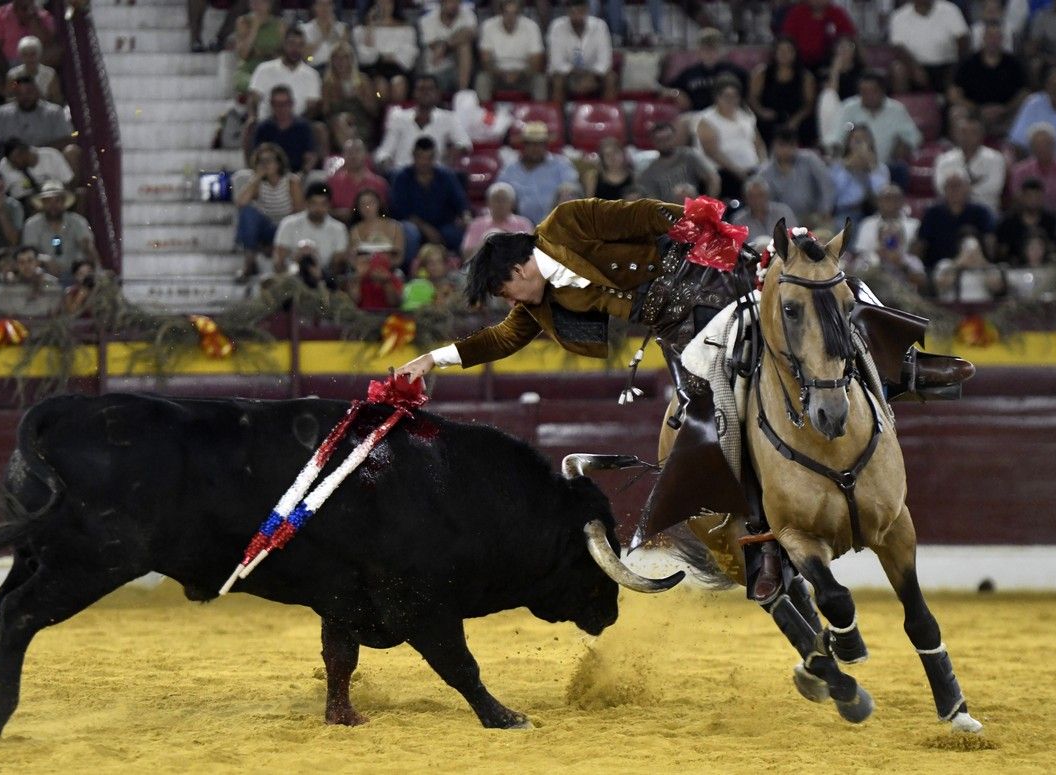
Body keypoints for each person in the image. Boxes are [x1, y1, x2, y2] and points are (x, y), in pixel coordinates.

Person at [394, 196, 976, 601]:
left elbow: (643, 216)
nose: (510, 300)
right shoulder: (539, 305)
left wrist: (708, 236)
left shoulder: (567, 224)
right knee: (709, 419)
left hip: (706, 279)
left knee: (821, 288)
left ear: (519, 265)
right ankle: (762, 540)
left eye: (505, 288)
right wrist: (430, 359)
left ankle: (907, 365)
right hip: (681, 329)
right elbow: (500, 339)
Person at [390, 137, 471, 268]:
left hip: (444, 223)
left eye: (429, 158)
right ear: (413, 156)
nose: (424, 162)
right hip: (414, 224)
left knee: (458, 233)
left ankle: (460, 270)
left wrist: (466, 218)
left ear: (434, 157)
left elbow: (461, 203)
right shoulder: (402, 177)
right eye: (420, 157)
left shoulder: (446, 176)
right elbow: (400, 211)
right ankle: (407, 270)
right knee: (409, 231)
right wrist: (426, 228)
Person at [232, 142, 302, 281]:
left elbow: (299, 211)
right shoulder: (257, 183)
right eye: (262, 161)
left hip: (286, 226)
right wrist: (257, 177)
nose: (266, 164)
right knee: (247, 212)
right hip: (265, 227)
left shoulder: (291, 181)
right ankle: (249, 262)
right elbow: (241, 203)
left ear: (278, 163)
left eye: (269, 160)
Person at [373, 74, 471, 174]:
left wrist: (454, 152)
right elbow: (384, 151)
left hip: (435, 176)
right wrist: (385, 163)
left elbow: (465, 143)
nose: (425, 93)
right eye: (421, 89)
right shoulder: (398, 118)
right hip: (403, 175)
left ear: (438, 93)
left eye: (430, 89)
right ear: (414, 93)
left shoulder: (449, 118)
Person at [948, 22, 1029, 140]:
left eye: (997, 37)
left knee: (1026, 112)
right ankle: (963, 154)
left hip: (1006, 115)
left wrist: (1005, 109)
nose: (993, 40)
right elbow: (953, 94)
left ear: (1002, 40)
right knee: (957, 113)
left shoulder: (1014, 63)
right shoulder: (968, 62)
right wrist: (977, 109)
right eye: (990, 36)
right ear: (983, 38)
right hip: (975, 114)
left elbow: (1025, 93)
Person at [0, 70, 77, 167]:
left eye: (29, 92)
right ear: (15, 95)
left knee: (73, 151)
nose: (25, 97)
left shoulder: (54, 112)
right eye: (20, 93)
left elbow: (67, 140)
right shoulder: (2, 113)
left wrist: (33, 153)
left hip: (47, 161)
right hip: (12, 164)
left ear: (37, 91)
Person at [695, 76, 766, 202]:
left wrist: (763, 165)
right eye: (726, 96)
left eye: (735, 96)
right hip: (725, 173)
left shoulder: (746, 115)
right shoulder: (707, 120)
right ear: (717, 97)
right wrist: (738, 171)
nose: (731, 100)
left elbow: (758, 143)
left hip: (752, 171)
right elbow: (712, 151)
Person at [496, 120, 579, 226]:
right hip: (517, 227)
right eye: (531, 144)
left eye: (539, 144)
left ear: (546, 145)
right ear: (524, 145)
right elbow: (498, 191)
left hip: (555, 223)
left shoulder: (561, 165)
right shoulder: (510, 168)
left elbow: (573, 190)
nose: (535, 148)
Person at [834, 71, 922, 167]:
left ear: (882, 91)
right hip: (854, 167)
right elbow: (836, 138)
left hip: (887, 166)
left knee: (901, 168)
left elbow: (915, 138)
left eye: (872, 91)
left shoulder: (897, 110)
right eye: (864, 92)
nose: (868, 96)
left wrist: (904, 145)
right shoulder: (849, 108)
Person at [915, 171, 996, 274]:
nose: (954, 190)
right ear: (944, 190)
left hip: (974, 269)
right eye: (950, 186)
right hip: (938, 270)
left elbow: (989, 242)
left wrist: (988, 264)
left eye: (958, 186)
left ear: (968, 188)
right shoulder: (932, 213)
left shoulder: (981, 212)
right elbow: (921, 243)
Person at [21, 180, 99, 283]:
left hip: (74, 275)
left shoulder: (78, 222)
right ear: (42, 203)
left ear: (64, 203)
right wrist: (44, 259)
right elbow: (28, 254)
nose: (53, 205)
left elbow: (88, 248)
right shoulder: (31, 224)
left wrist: (89, 254)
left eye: (57, 200)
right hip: (44, 277)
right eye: (49, 201)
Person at [747, 35, 817, 147]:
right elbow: (752, 98)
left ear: (795, 53)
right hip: (769, 118)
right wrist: (762, 112)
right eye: (781, 50)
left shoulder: (805, 77)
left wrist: (796, 120)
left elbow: (809, 104)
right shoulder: (762, 74)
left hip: (796, 119)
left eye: (788, 51)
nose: (784, 54)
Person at [757, 127, 834, 227]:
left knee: (828, 231)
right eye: (782, 145)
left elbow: (826, 184)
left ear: (796, 145)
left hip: (814, 215)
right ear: (773, 146)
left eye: (791, 145)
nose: (786, 150)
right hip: (782, 221)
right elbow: (767, 203)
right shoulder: (765, 172)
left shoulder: (810, 159)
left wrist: (825, 210)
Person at [888, 0, 969, 92]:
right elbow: (898, 48)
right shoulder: (899, 16)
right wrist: (914, 68)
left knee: (963, 69)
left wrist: (955, 68)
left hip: (948, 65)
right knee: (898, 69)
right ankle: (902, 104)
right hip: (915, 66)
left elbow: (962, 40)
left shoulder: (950, 9)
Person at [933, 114, 1006, 216]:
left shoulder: (995, 159)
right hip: (951, 213)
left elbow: (994, 188)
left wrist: (959, 189)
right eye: (963, 132)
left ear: (981, 135)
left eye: (973, 133)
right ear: (955, 134)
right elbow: (941, 188)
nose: (967, 137)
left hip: (987, 212)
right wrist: (973, 187)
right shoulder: (944, 160)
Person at [273, 182, 349, 278]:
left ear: (329, 205)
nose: (318, 208)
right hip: (292, 277)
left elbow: (337, 268)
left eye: (323, 204)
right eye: (314, 203)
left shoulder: (339, 229)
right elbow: (278, 262)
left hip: (323, 279)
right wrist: (297, 258)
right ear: (307, 203)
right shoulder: (289, 224)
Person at [661, 27, 747, 112]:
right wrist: (677, 93)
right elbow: (668, 89)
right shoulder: (689, 73)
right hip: (697, 116)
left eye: (713, 49)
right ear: (698, 50)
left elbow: (748, 94)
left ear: (721, 50)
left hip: (727, 115)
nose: (709, 53)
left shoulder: (735, 72)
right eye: (705, 49)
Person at [475, 0, 546, 102]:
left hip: (524, 74)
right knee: (482, 79)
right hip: (497, 74)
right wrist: (501, 74)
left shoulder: (532, 27)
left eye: (514, 13)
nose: (510, 18)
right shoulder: (488, 26)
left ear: (520, 13)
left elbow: (536, 61)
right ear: (501, 13)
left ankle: (539, 116)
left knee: (540, 80)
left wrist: (519, 74)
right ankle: (485, 115)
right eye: (507, 13)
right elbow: (486, 60)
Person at [248, 27, 320, 125]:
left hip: (298, 125)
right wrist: (253, 118)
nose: (295, 49)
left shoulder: (312, 75)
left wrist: (293, 124)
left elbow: (312, 107)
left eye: (300, 45)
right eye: (292, 44)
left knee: (319, 129)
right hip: (266, 123)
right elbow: (253, 99)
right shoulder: (264, 69)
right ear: (284, 45)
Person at [546, 0, 615, 102]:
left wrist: (591, 76)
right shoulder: (557, 27)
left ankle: (606, 115)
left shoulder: (600, 26)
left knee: (610, 78)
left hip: (593, 75)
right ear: (567, 11)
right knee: (558, 80)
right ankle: (558, 116)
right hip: (567, 76)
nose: (576, 15)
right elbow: (557, 63)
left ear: (587, 9)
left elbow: (604, 61)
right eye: (572, 11)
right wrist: (576, 74)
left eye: (580, 10)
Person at [353, 0, 419, 104]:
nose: (384, 6)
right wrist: (370, 24)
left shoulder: (406, 28)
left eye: (388, 3)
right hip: (374, 70)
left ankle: (395, 114)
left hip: (398, 70)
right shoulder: (362, 29)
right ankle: (381, 114)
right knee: (380, 91)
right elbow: (365, 55)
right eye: (380, 2)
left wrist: (383, 55)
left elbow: (408, 58)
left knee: (398, 85)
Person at [635, 121, 720, 201]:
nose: (665, 143)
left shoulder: (688, 155)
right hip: (669, 213)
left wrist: (709, 204)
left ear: (674, 137)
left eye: (668, 138)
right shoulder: (648, 173)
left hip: (695, 208)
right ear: (653, 142)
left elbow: (713, 178)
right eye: (660, 140)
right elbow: (652, 202)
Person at [321, 43, 379, 150]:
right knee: (341, 121)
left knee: (350, 127)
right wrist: (334, 96)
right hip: (336, 124)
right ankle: (353, 154)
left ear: (351, 60)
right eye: (337, 58)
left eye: (345, 58)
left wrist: (360, 96)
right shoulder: (327, 84)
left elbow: (374, 111)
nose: (341, 62)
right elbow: (325, 112)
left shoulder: (363, 80)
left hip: (359, 122)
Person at [249, 84, 317, 176]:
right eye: (277, 104)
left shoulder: (303, 127)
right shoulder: (263, 128)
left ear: (292, 104)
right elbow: (257, 156)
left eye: (285, 104)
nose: (282, 108)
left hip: (297, 175)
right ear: (271, 105)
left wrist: (301, 174)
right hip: (269, 175)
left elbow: (310, 157)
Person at [829, 125, 890, 224]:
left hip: (874, 212)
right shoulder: (838, 167)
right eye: (857, 140)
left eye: (865, 140)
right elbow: (834, 196)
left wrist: (870, 170)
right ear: (849, 143)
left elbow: (882, 195)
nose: (861, 145)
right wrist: (848, 169)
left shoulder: (880, 168)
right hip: (846, 211)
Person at [461, 182, 534, 260]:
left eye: (504, 199)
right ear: (488, 203)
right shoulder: (477, 224)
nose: (500, 204)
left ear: (512, 204)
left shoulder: (523, 223)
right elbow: (467, 254)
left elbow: (531, 252)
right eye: (496, 199)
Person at [0, 138, 75, 212]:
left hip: (53, 198)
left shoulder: (51, 156)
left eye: (14, 161)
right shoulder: (4, 165)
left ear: (22, 153)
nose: (13, 165)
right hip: (22, 204)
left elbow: (68, 183)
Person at [779, 0, 857, 73]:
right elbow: (786, 39)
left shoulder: (837, 13)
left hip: (832, 65)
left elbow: (851, 39)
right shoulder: (796, 13)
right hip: (800, 65)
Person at [417, 0, 476, 96]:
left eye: (457, 2)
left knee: (464, 47)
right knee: (462, 43)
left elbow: (470, 34)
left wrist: (445, 45)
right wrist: (457, 39)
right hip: (436, 70)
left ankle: (462, 94)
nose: (454, 5)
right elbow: (434, 46)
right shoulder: (427, 20)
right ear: (442, 2)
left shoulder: (468, 15)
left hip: (459, 71)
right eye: (451, 2)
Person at [995, 177, 1056, 262]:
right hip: (1015, 267)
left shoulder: (1051, 221)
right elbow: (1002, 252)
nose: (1033, 200)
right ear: (1022, 197)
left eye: (1037, 196)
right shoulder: (1008, 222)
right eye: (1029, 196)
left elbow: (1055, 247)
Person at [0, 0, 57, 75]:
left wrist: (32, 18)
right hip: (10, 63)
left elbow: (47, 43)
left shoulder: (44, 16)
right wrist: (5, 73)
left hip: (38, 62)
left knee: (56, 52)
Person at [1007, 66, 1056, 156]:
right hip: (1035, 159)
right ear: (1047, 85)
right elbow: (1017, 138)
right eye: (1054, 85)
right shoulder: (1033, 103)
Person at [1008, 122, 1056, 212]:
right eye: (1037, 145)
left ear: (1054, 144)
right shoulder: (1020, 171)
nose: (1042, 148)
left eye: (1046, 144)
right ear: (1031, 147)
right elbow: (1017, 197)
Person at [328, 138, 388, 223]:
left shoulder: (379, 184)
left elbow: (384, 214)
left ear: (366, 155)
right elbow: (325, 209)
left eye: (357, 151)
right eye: (349, 152)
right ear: (343, 155)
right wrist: (338, 214)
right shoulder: (332, 182)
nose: (353, 155)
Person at [933, 233, 1006, 302]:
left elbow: (997, 288)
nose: (971, 253)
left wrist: (982, 263)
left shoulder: (989, 267)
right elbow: (940, 286)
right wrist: (958, 264)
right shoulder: (945, 264)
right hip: (953, 311)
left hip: (983, 311)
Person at [231, 0, 283, 95]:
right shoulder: (243, 22)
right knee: (251, 83)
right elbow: (243, 55)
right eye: (253, 2)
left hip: (272, 67)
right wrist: (254, 28)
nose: (257, 5)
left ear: (269, 4)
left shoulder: (280, 24)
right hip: (249, 69)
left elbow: (282, 53)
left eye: (261, 2)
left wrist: (265, 53)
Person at [853, 183, 921, 256]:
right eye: (887, 198)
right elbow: (860, 253)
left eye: (895, 199)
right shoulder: (867, 223)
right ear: (878, 202)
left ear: (902, 202)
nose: (891, 203)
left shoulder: (915, 225)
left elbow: (916, 255)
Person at [0, 243, 62, 316]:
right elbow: (6, 316)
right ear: (16, 265)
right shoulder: (6, 288)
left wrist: (41, 285)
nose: (26, 266)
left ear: (37, 262)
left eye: (30, 261)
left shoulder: (50, 283)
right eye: (21, 262)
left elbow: (54, 313)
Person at [347, 188, 403, 274]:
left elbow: (398, 257)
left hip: (389, 272)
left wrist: (381, 266)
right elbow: (352, 258)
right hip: (363, 272)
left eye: (371, 203)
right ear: (358, 208)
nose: (367, 207)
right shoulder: (355, 230)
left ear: (379, 204)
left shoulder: (395, 227)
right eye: (363, 204)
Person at [730, 176, 797, 241]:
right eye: (752, 196)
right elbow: (740, 249)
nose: (757, 200)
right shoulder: (739, 221)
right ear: (745, 199)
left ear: (767, 196)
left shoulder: (784, 212)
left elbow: (795, 239)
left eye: (760, 195)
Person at [9, 36, 63, 105]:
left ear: (39, 54)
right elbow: (10, 95)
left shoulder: (50, 74)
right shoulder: (13, 75)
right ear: (21, 56)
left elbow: (57, 99)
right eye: (25, 54)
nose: (29, 58)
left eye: (32, 54)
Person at [300, 0, 347, 71]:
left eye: (328, 4)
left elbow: (345, 53)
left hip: (336, 70)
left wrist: (333, 28)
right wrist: (323, 36)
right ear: (315, 7)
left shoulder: (341, 28)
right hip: (314, 67)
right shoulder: (305, 29)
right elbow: (307, 58)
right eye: (321, 4)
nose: (325, 8)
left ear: (333, 7)